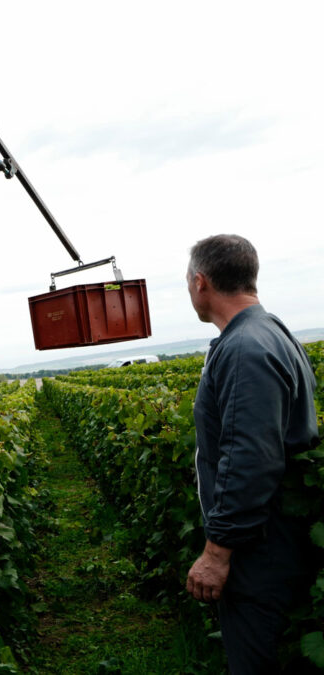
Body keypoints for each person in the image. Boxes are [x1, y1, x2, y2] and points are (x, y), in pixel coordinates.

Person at [183, 234, 319, 672]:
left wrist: (218, 551)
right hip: (269, 531)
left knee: (254, 657)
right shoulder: (271, 330)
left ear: (201, 283)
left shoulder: (245, 349)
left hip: (259, 542)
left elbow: (250, 458)